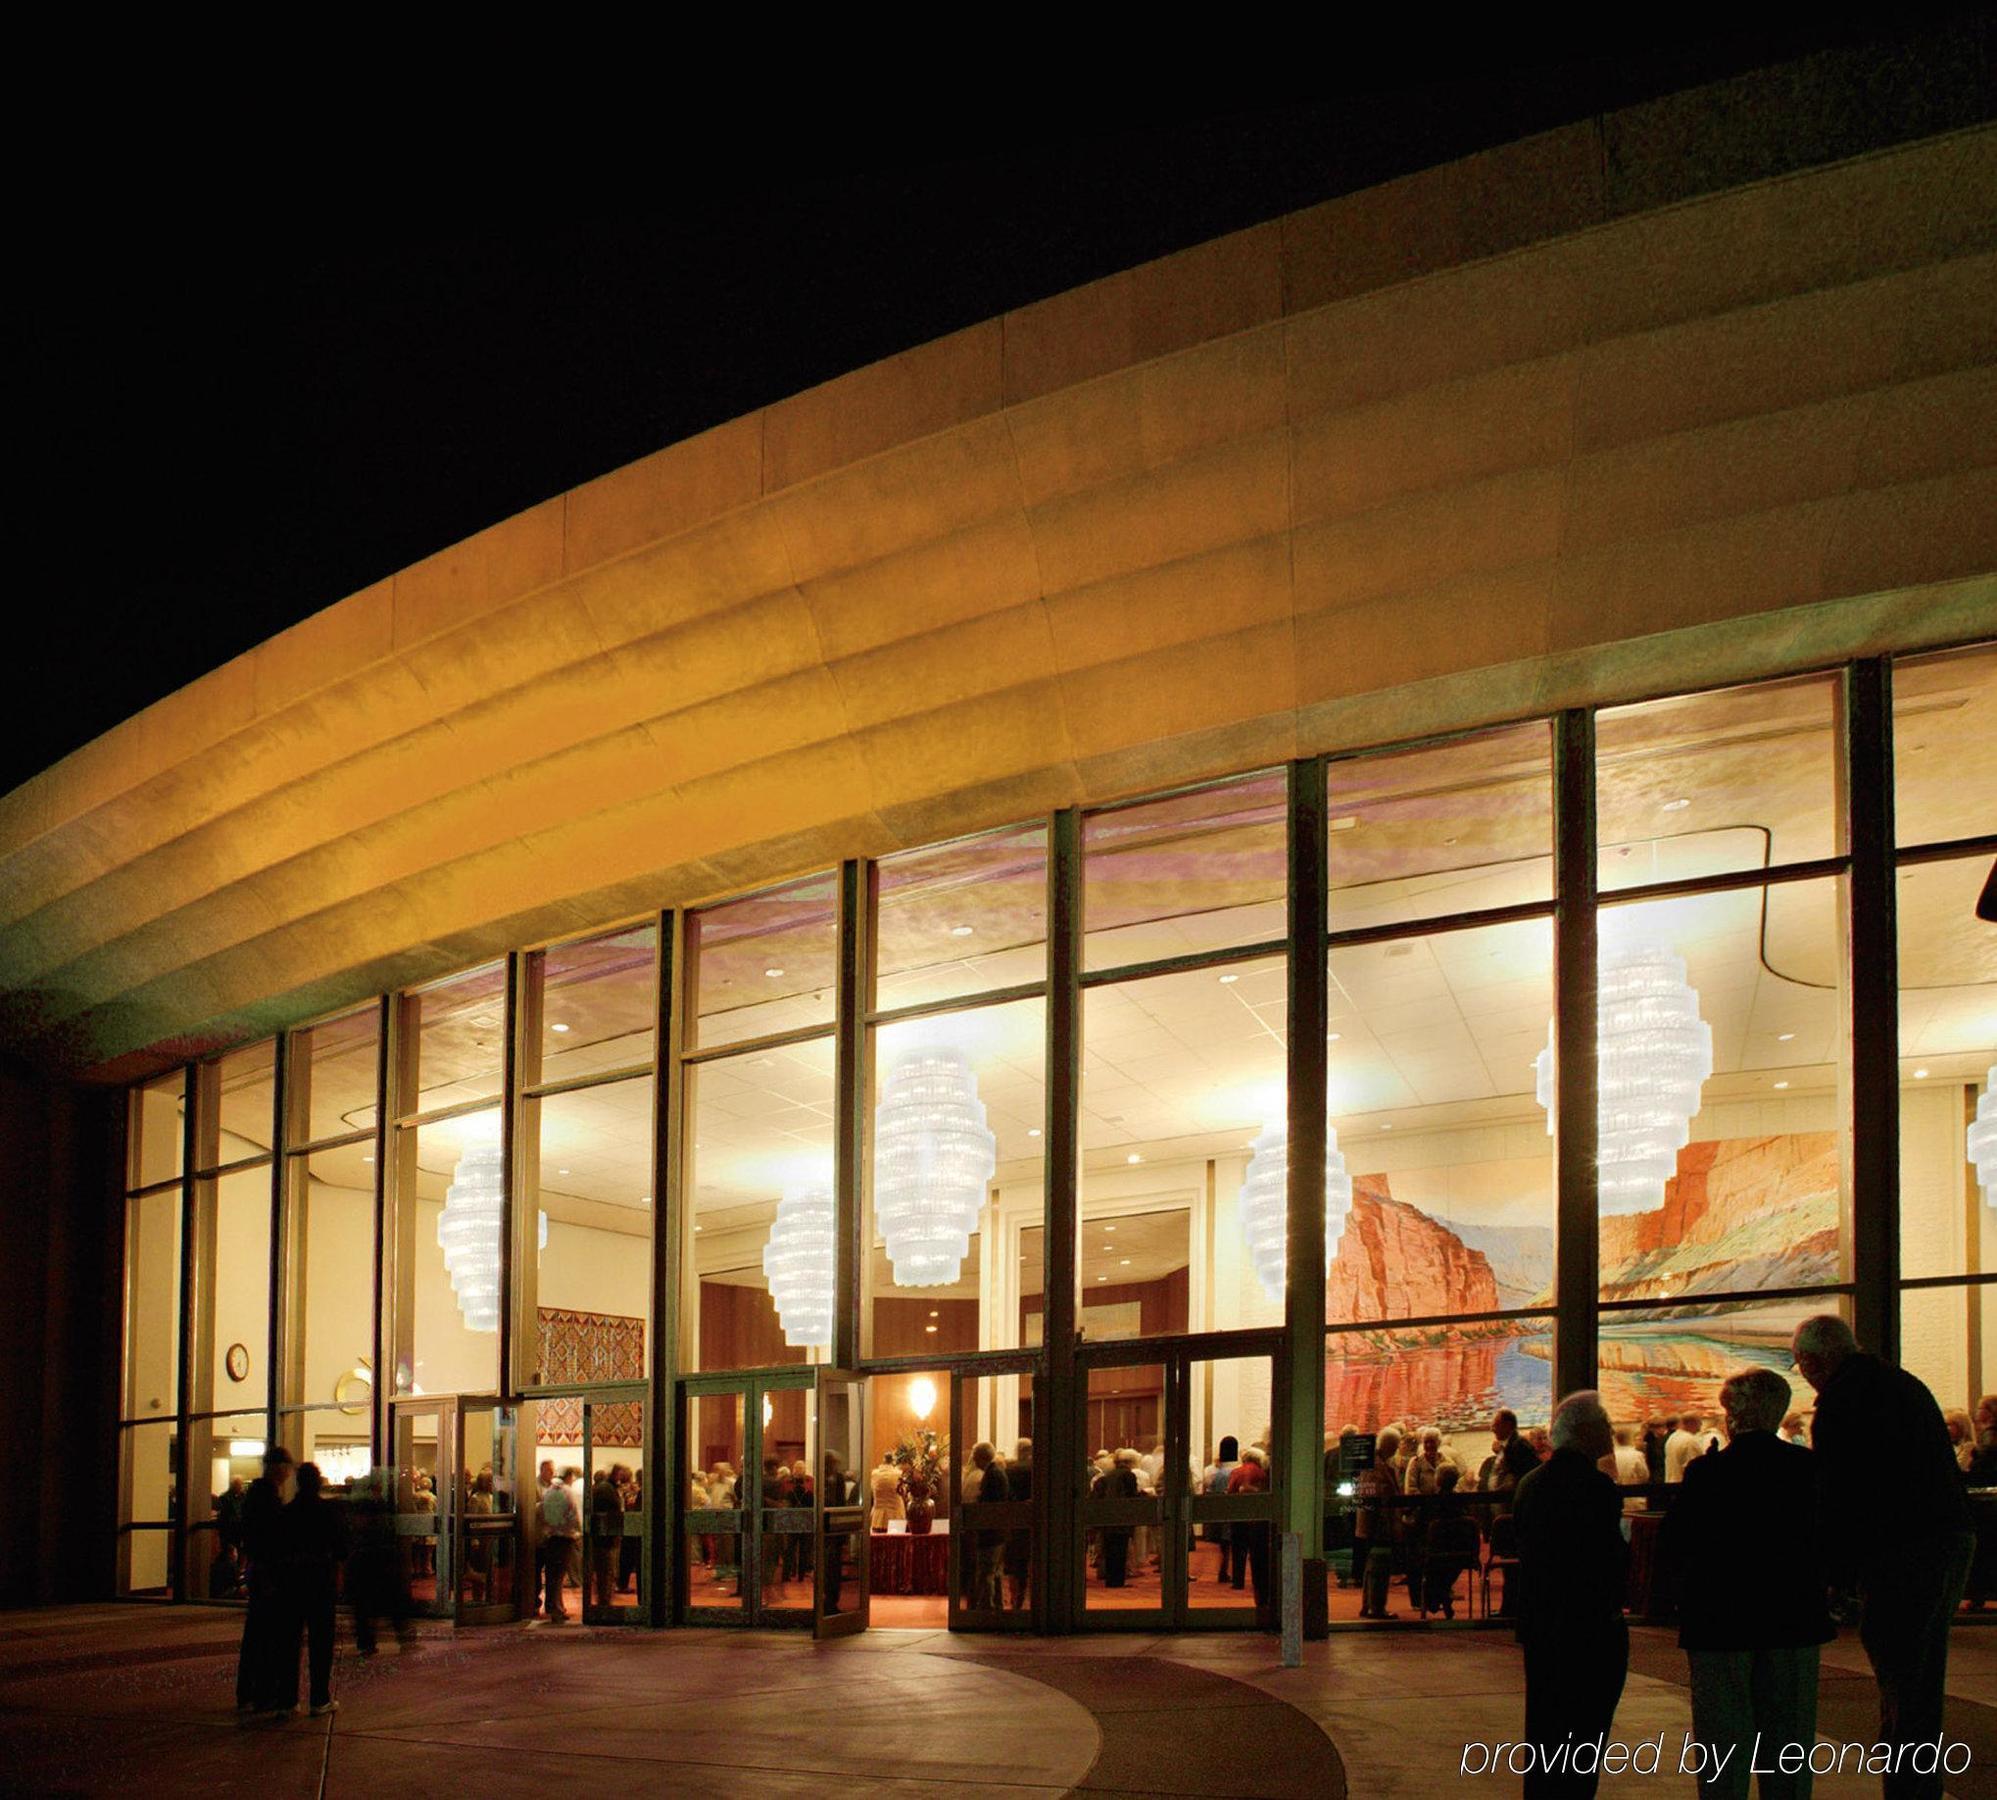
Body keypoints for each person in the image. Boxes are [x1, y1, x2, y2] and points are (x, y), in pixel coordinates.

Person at [1794, 1313, 1974, 1799]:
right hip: (1946, 1540)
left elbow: (1841, 1495)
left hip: (1902, 1553)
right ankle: (1918, 1783)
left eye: (1800, 1365)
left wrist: (1833, 1573)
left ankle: (1908, 1785)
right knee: (1920, 1674)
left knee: (1900, 1676)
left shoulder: (1841, 1403)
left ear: (1813, 1360)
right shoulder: (1900, 1384)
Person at [1655, 1367, 1831, 1800]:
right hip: (1792, 1616)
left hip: (1721, 1619)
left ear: (1732, 1415)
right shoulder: (1807, 1469)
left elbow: (1675, 1543)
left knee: (1722, 1742)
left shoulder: (1707, 1473)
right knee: (1788, 1739)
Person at [1512, 1391, 1628, 1799]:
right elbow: (1610, 1563)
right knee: (1585, 1735)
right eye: (1606, 1426)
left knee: (1545, 1729)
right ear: (1586, 1433)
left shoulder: (1530, 1485)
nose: (1611, 1433)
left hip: (1543, 1627)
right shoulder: (1598, 1490)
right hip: (1590, 1630)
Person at [280, 1462, 348, 1718]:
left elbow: (280, 1549)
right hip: (321, 1581)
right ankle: (319, 1697)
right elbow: (341, 1548)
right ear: (318, 1482)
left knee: (289, 1641)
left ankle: (287, 1700)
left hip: (292, 1582)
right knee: (321, 1641)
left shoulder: (287, 1513)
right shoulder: (329, 1512)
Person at [236, 1447, 295, 1715]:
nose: (288, 1473)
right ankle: (262, 1691)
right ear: (277, 1467)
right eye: (286, 1467)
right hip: (268, 1574)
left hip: (261, 1572)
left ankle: (250, 1691)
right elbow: (271, 1539)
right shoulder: (267, 1498)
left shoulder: (257, 1496)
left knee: (257, 1632)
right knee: (266, 1633)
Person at [344, 1467, 410, 1656]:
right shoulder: (376, 1505)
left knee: (364, 1605)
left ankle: (366, 1641)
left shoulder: (358, 1505)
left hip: (363, 1559)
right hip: (376, 1559)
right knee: (387, 1600)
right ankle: (400, 1636)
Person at [1422, 1465, 1481, 1620]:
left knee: (1435, 1568)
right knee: (1447, 1571)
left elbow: (1423, 1526)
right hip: (1462, 1553)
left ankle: (1439, 1598)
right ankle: (1443, 1596)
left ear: (1438, 1481)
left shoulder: (1432, 1502)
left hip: (1437, 1552)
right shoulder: (1462, 1502)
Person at [1355, 1428, 1401, 1620]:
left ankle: (1368, 1605)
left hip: (1370, 1523)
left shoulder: (1372, 1462)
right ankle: (1377, 1607)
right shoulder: (1377, 1466)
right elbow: (1379, 1495)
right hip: (1378, 1524)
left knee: (1371, 1566)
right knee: (1379, 1567)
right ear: (1390, 1446)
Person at [1228, 1447, 1273, 1607]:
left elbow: (1232, 1490)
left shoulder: (1236, 1471)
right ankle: (1258, 1585)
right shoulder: (1260, 1472)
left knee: (1238, 1549)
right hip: (1254, 1517)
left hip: (1236, 1514)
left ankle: (1237, 1580)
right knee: (1254, 1550)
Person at [539, 1461, 583, 1622]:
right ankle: (557, 1610)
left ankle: (553, 1606)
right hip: (565, 1537)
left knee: (552, 1575)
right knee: (559, 1575)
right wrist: (578, 1532)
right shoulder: (567, 1492)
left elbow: (542, 1512)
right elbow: (573, 1514)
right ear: (569, 1477)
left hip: (551, 1536)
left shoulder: (549, 1491)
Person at [968, 1441, 1008, 1610]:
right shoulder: (997, 1472)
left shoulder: (992, 1475)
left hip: (991, 1532)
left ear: (981, 1458)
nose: (974, 1461)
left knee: (986, 1572)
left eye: (975, 1457)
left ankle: (986, 1607)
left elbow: (989, 1505)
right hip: (998, 1531)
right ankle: (996, 1605)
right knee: (994, 1571)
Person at [1094, 1449, 1140, 1588]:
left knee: (1110, 1549)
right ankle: (1118, 1581)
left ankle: (1111, 1579)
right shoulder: (1128, 1475)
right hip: (1122, 1516)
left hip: (1108, 1516)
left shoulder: (1108, 1475)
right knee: (1120, 1549)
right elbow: (1132, 1496)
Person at [1004, 1438, 1033, 1611]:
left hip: (1015, 1521)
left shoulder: (1010, 1470)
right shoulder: (1037, 1469)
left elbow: (1007, 1495)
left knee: (1018, 1564)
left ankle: (1017, 1600)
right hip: (1035, 1520)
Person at [590, 1466, 624, 1610]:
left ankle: (604, 1600)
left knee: (604, 1570)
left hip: (601, 1536)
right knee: (606, 1570)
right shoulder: (607, 1490)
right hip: (605, 1537)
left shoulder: (603, 1489)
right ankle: (604, 1602)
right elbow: (613, 1514)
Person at [1606, 1425, 1650, 1516]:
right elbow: (1644, 1476)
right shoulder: (1637, 1455)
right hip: (1635, 1497)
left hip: (1615, 1498)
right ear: (1631, 1438)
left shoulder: (1609, 1456)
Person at [1666, 1412, 1711, 1482]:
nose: (1701, 1426)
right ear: (1691, 1423)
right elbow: (1694, 1468)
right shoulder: (1690, 1441)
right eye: (1699, 1422)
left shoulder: (1672, 1438)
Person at [869, 1451, 904, 1530]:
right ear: (893, 1461)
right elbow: (902, 1492)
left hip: (877, 1516)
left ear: (883, 1460)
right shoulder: (899, 1473)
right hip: (896, 1515)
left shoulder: (874, 1474)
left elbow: (872, 1489)